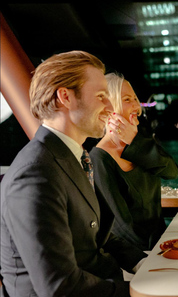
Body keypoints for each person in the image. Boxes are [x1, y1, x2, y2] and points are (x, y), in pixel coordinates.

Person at [0, 51, 147, 296]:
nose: (111, 108)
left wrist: (144, 264)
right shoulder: (35, 174)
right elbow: (59, 287)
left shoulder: (73, 157)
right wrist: (140, 293)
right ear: (65, 97)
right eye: (102, 96)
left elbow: (97, 233)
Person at [89, 72, 178, 250]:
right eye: (128, 99)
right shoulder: (99, 158)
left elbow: (172, 172)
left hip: (161, 243)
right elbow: (119, 225)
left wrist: (135, 141)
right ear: (109, 106)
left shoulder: (140, 143)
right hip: (135, 256)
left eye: (135, 98)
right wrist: (155, 253)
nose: (137, 106)